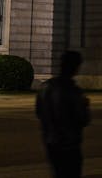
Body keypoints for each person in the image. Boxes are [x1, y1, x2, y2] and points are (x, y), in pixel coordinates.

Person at [36, 50, 91, 178]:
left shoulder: (46, 87)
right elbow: (83, 119)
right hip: (69, 144)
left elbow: (39, 112)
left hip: (50, 141)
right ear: (75, 67)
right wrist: (85, 106)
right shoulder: (73, 90)